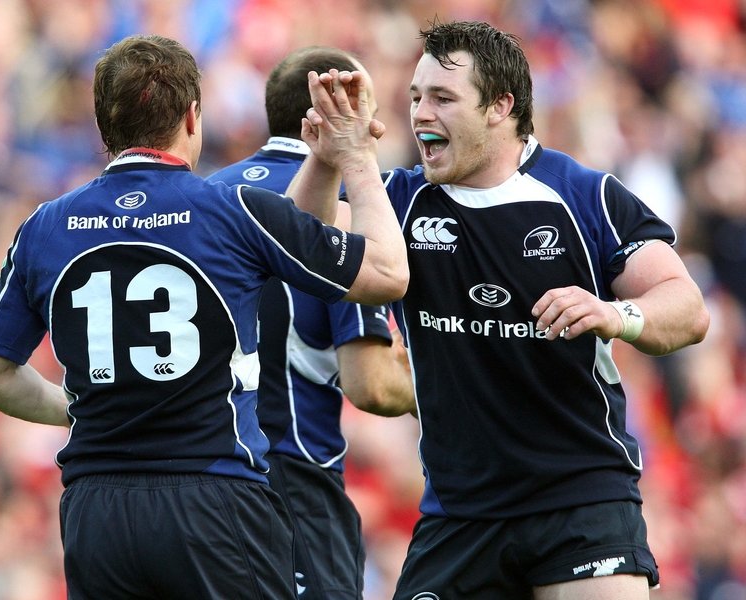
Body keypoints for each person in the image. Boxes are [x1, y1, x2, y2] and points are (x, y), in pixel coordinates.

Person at [0, 34, 407, 600]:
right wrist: (358, 159)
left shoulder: (46, 225)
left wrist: (76, 409)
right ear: (193, 117)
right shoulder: (232, 209)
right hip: (215, 499)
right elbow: (388, 272)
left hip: (97, 512)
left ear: (104, 127)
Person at [292, 20, 710, 600]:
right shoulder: (401, 199)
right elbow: (301, 241)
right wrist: (327, 157)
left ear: (500, 106)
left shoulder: (584, 194)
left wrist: (617, 315)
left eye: (442, 97)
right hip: (459, 514)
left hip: (581, 503)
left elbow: (687, 308)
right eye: (415, 97)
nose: (420, 114)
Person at [207, 45, 416, 600]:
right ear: (337, 112)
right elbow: (370, 383)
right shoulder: (349, 207)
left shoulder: (205, 198)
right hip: (293, 478)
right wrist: (458, 385)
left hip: (201, 486)